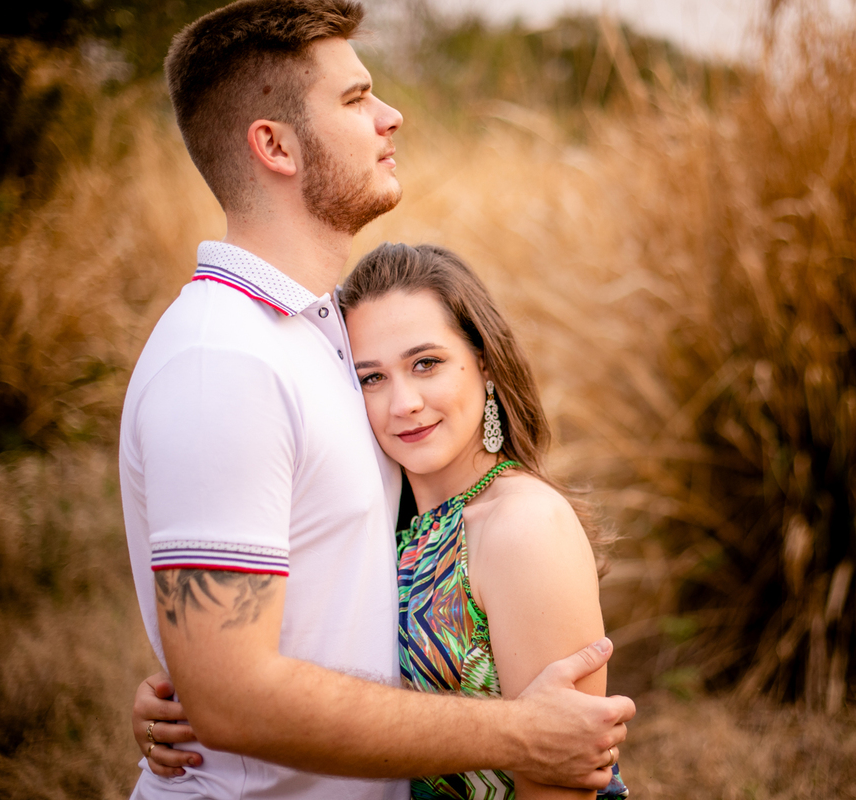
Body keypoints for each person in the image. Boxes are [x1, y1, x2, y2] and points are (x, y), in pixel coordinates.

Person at [118, 1, 633, 798]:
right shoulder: (224, 359)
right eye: (356, 98)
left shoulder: (320, 332)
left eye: (426, 365)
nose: (391, 116)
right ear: (275, 146)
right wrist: (523, 734)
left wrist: (202, 675)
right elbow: (228, 697)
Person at [137, 243, 631, 799]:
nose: (404, 403)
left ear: (486, 363)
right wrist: (188, 700)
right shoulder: (381, 528)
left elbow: (564, 782)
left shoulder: (525, 525)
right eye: (371, 378)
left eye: (426, 363)